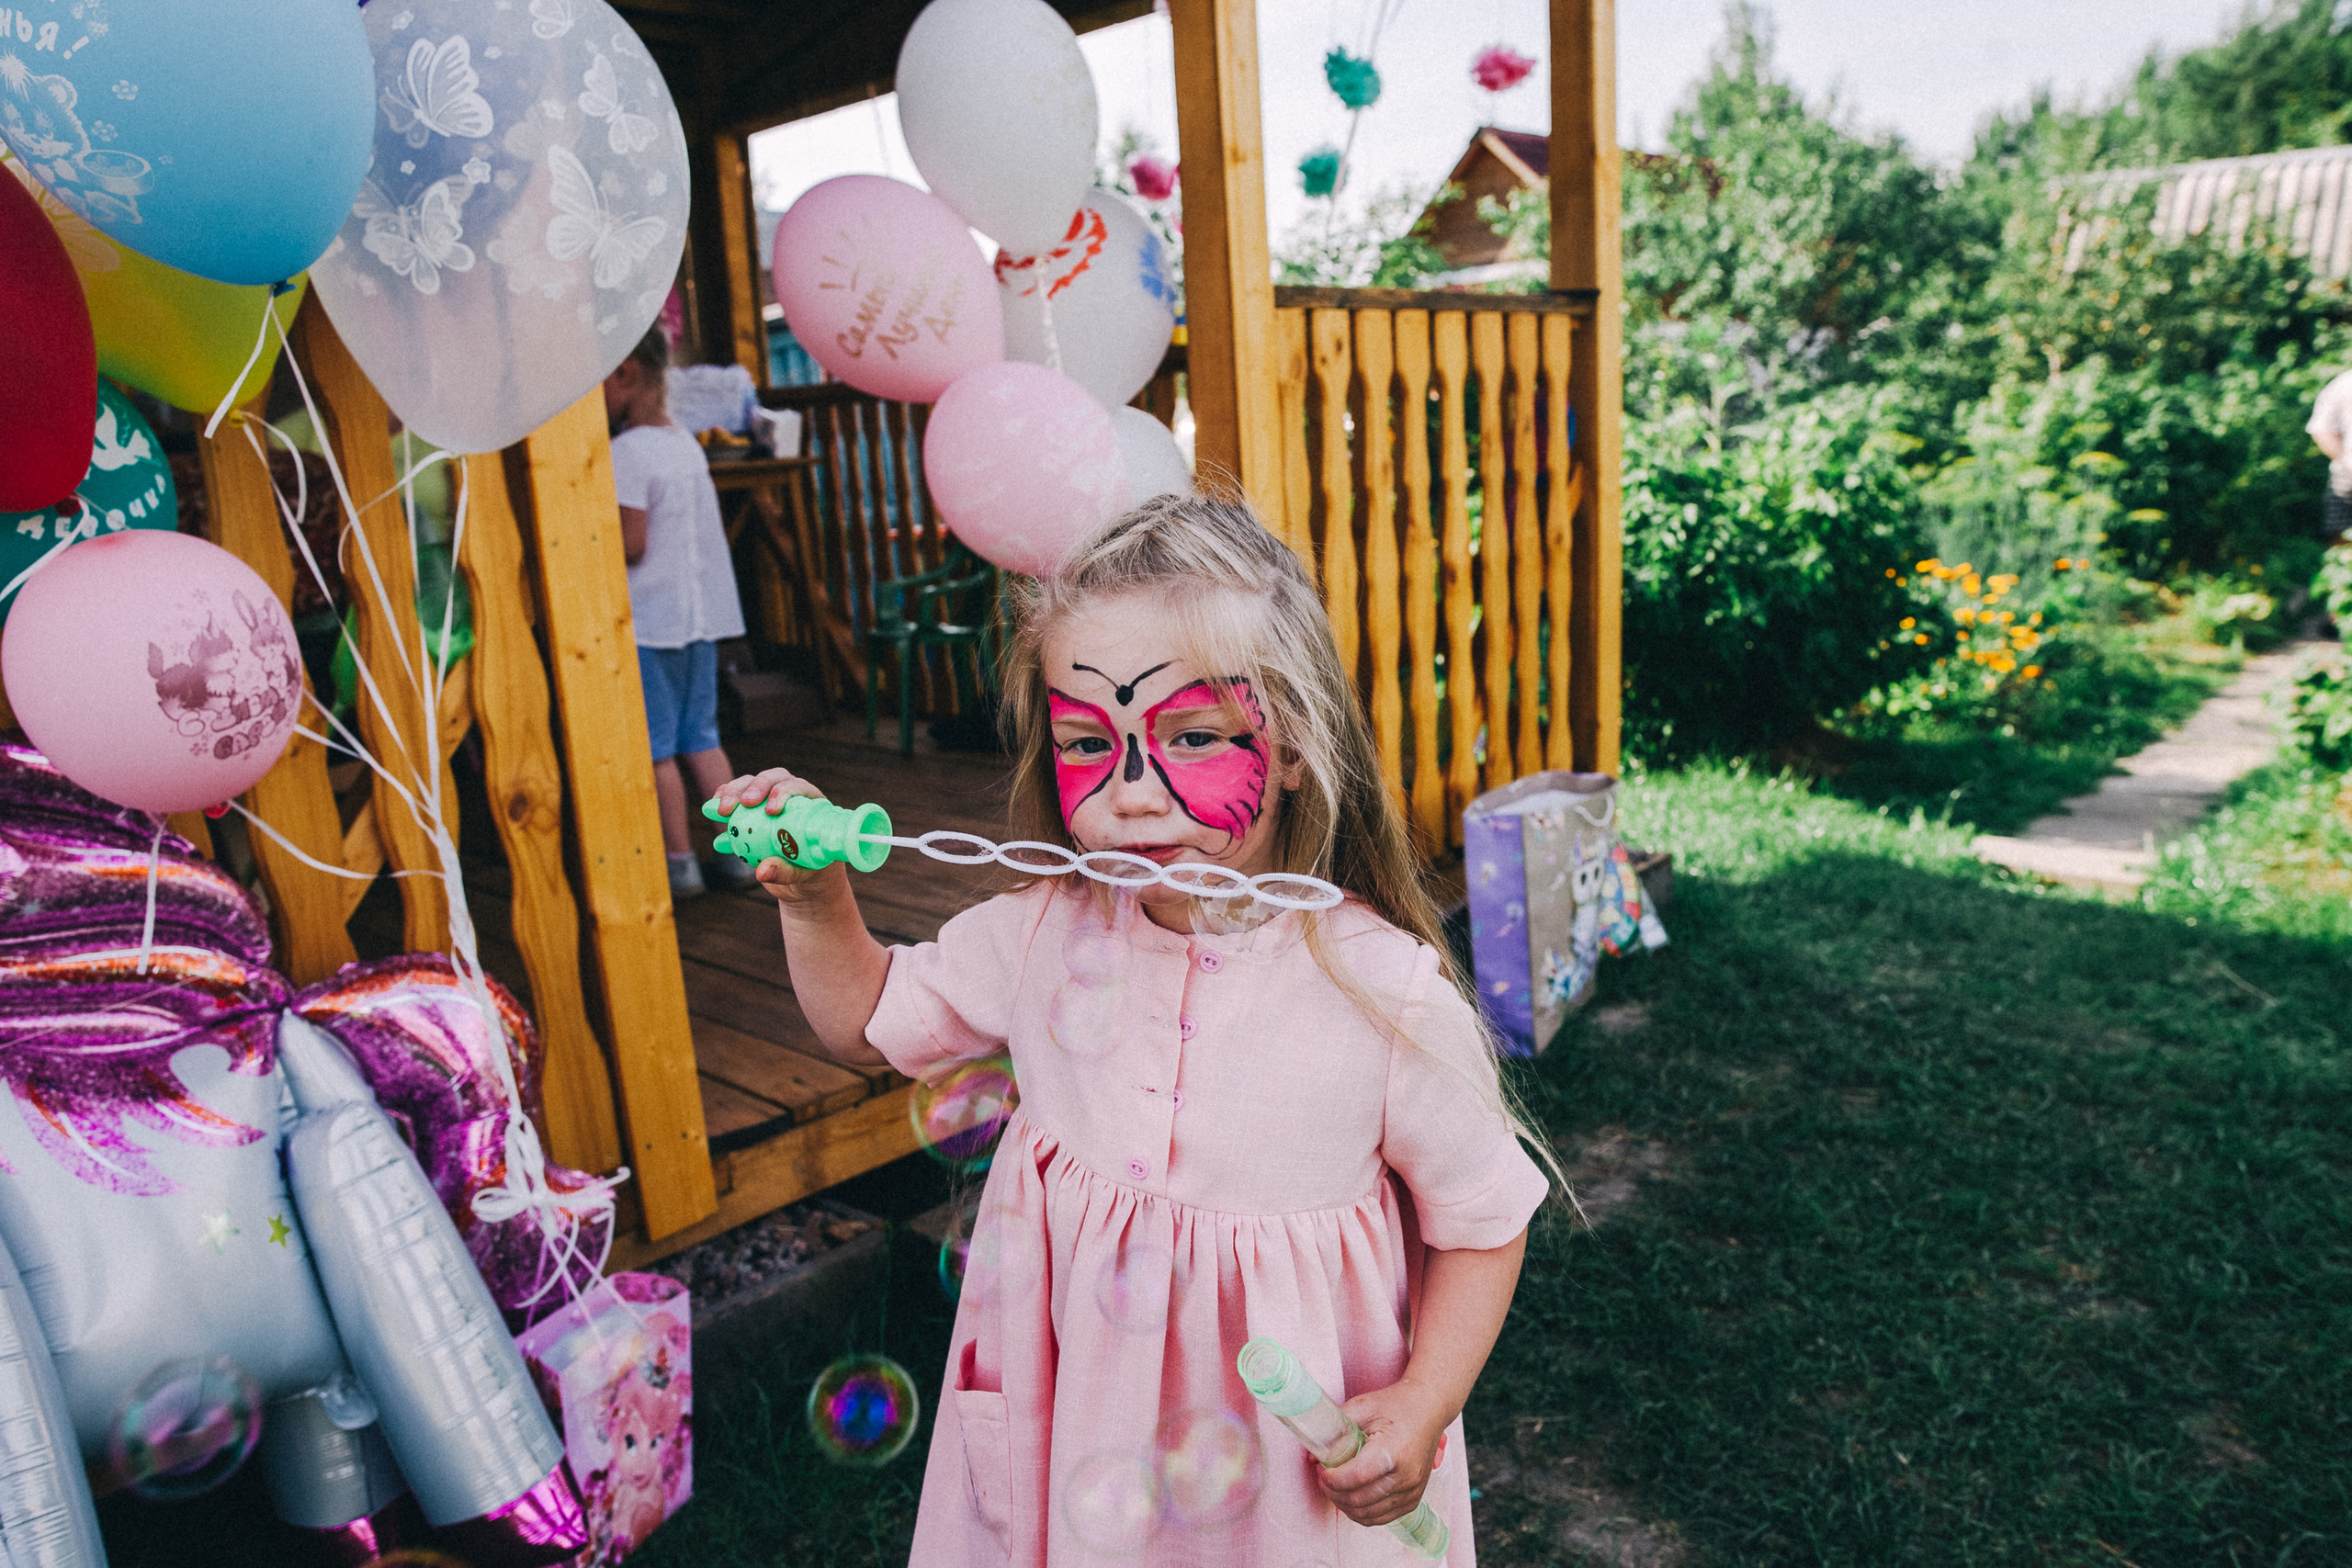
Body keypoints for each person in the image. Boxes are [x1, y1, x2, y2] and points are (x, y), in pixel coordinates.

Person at [708, 494, 1559, 1565]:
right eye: (1084, 742)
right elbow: (866, 1022)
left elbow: (1482, 1222)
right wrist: (816, 902)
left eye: (1192, 737)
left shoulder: (1380, 995)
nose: (1131, 795)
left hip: (1281, 1479)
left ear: (1293, 747)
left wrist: (1426, 1398)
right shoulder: (1038, 935)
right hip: (1071, 1425)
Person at [604, 328, 752, 897]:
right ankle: (739, 856)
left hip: (652, 623)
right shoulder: (684, 443)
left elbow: (633, 543)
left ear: (626, 374)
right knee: (702, 739)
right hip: (699, 621)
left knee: (658, 749)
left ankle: (680, 862)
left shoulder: (626, 453)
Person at [2306, 366, 2352, 544]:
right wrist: (2347, 462)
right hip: (2347, 483)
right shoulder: (2343, 384)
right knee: (2344, 547)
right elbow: (2322, 431)